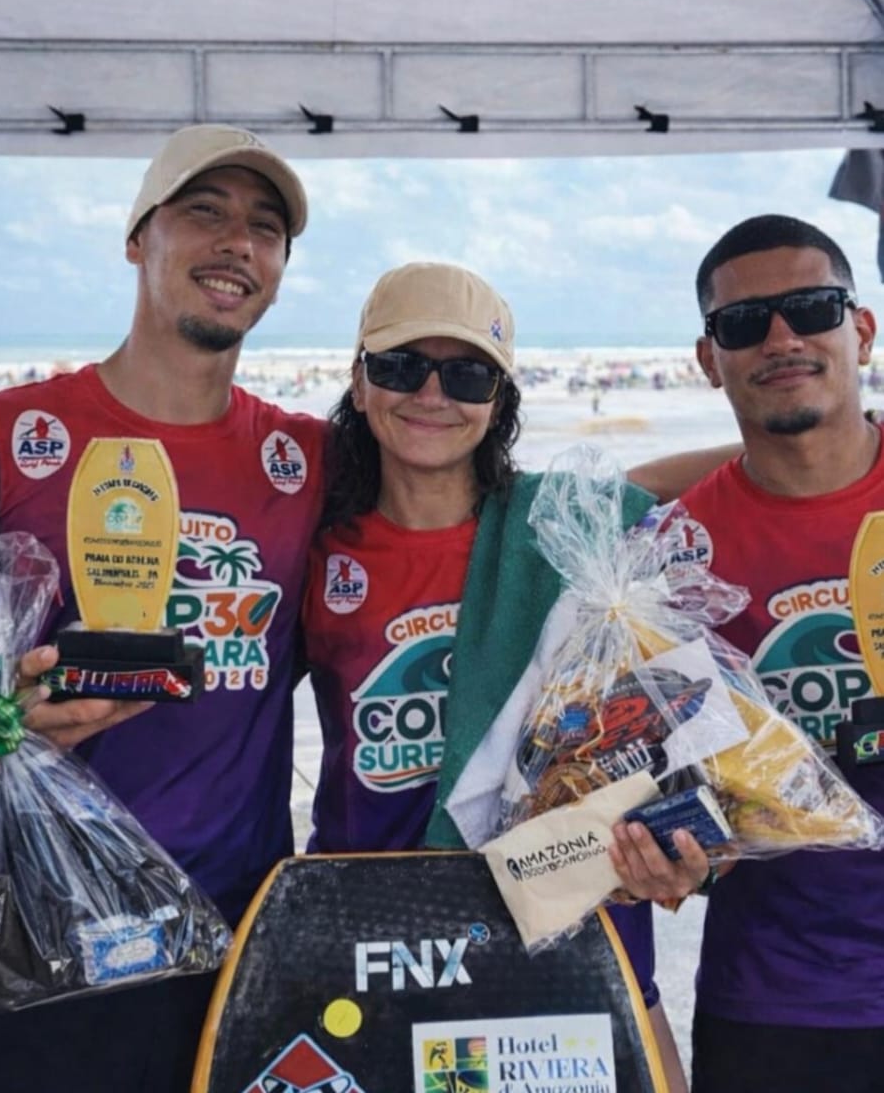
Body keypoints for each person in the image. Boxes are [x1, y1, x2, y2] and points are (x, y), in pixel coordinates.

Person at [301, 261, 694, 1091]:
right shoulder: (317, 545)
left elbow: (723, 485)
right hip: (373, 931)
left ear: (499, 398)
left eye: (468, 372)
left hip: (567, 917)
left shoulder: (564, 534)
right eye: (401, 366)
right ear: (360, 383)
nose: (432, 394)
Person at [0, 125, 325, 1092]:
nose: (237, 245)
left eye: (265, 229)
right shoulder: (17, 436)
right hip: (45, 923)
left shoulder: (307, 459)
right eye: (205, 213)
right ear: (138, 238)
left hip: (239, 924)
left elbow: (475, 510)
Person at [613, 214, 884, 1092]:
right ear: (707, 359)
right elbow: (650, 784)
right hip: (778, 1005)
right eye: (743, 322)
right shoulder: (661, 556)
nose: (779, 337)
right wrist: (659, 864)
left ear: (862, 330)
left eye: (809, 308)